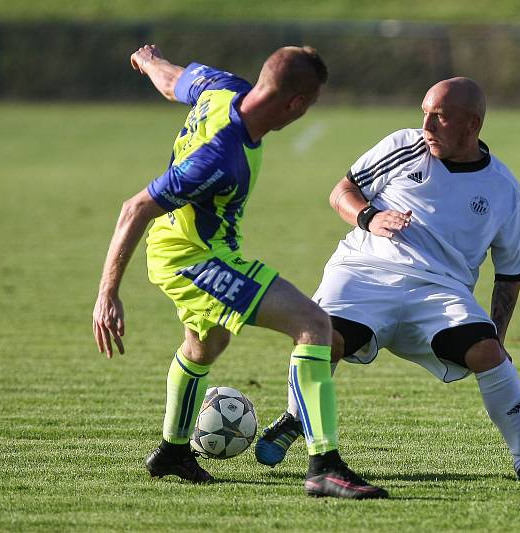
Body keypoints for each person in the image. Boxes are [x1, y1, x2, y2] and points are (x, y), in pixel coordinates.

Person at [92, 43, 388, 499]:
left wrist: (146, 59)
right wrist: (107, 293)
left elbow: (173, 81)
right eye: (308, 106)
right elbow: (136, 208)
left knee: (207, 341)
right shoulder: (220, 158)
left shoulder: (220, 87)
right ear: (295, 104)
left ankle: (172, 452)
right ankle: (324, 466)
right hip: (193, 258)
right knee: (314, 326)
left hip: (189, 247)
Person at [255, 77, 520, 483]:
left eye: (441, 117)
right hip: (363, 272)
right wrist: (370, 217)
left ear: (473, 124)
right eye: (425, 113)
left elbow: (510, 275)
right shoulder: (403, 146)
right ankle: (297, 417)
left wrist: (498, 337)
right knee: (320, 337)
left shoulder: (505, 192)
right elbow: (342, 191)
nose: (427, 126)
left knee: (487, 353)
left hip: (439, 292)